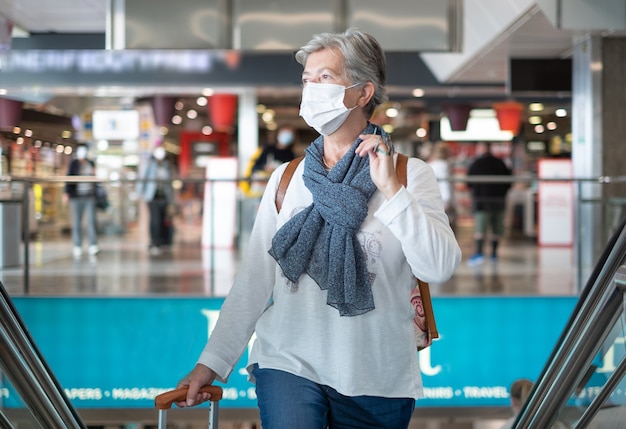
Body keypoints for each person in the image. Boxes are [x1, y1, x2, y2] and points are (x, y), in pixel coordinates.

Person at [175, 29, 461, 429]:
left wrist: (391, 191)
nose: (310, 89)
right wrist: (211, 363)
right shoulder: (287, 179)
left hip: (377, 374)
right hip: (288, 361)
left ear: (363, 93)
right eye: (307, 80)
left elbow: (438, 267)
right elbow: (256, 279)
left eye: (325, 78)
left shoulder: (409, 176)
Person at [466, 141, 512, 265]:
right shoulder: (500, 163)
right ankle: (493, 255)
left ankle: (479, 254)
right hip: (499, 200)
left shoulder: (476, 163)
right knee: (496, 229)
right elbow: (509, 182)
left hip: (481, 201)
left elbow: (468, 183)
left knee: (481, 229)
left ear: (480, 149)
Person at [137, 145, 174, 255]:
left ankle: (161, 241)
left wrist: (171, 198)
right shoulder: (149, 165)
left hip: (164, 197)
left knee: (162, 219)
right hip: (151, 196)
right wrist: (139, 193)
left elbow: (170, 183)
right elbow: (142, 179)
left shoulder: (167, 165)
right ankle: (154, 242)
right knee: (154, 219)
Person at [64, 143, 99, 257]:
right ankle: (77, 245)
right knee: (77, 222)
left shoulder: (91, 163)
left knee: (91, 221)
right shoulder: (73, 163)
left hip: (89, 196)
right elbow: (68, 178)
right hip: (76, 196)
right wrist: (66, 192)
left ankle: (92, 244)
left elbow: (95, 179)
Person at [428, 141, 456, 231]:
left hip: (431, 201)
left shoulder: (430, 165)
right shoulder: (444, 165)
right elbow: (445, 184)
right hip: (443, 201)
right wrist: (448, 200)